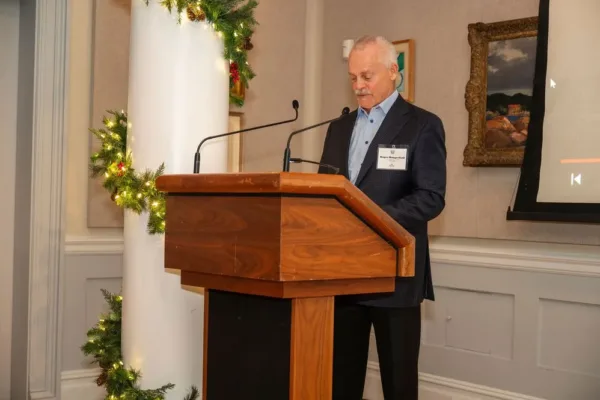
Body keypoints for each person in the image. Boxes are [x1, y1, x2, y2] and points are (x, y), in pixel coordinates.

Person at [318, 35, 447, 399]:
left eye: (367, 76)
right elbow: (327, 191)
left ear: (394, 72)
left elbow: (431, 198)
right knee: (340, 382)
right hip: (343, 274)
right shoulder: (338, 128)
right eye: (353, 78)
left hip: (396, 273)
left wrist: (370, 218)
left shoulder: (422, 125)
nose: (359, 86)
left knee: (398, 384)